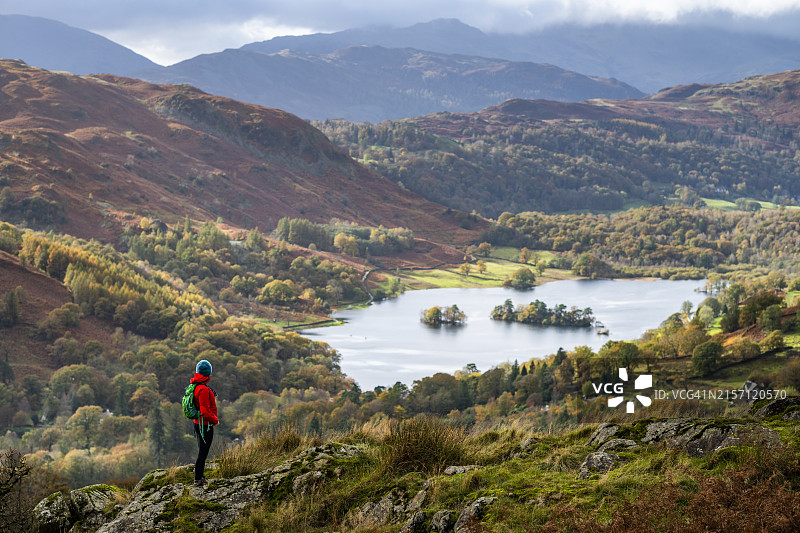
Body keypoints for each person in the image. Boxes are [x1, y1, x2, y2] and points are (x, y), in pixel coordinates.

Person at [190, 359, 218, 487]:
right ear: (208, 373)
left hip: (198, 423)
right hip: (205, 425)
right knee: (203, 453)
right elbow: (204, 411)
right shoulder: (203, 389)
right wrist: (215, 420)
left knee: (202, 450)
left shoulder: (196, 386)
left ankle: (200, 477)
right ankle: (198, 480)